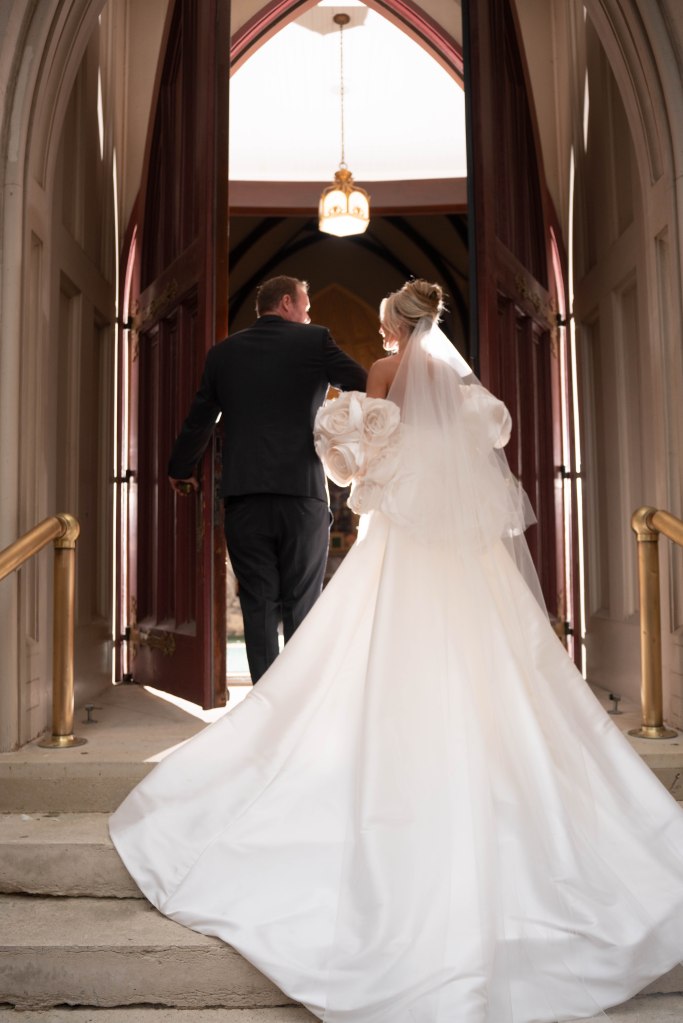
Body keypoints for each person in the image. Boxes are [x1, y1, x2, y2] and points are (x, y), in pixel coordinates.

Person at [112, 280, 683, 1023]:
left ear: (394, 323)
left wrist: (321, 459)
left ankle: (288, 717)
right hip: (459, 543)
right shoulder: (454, 372)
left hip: (344, 519)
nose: (374, 331)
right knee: (486, 657)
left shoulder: (337, 367)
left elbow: (356, 458)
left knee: (305, 625)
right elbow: (486, 437)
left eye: (383, 321)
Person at [168, 275, 367, 682]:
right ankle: (297, 704)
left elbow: (200, 419)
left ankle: (264, 706)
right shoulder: (314, 342)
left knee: (258, 602)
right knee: (302, 602)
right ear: (288, 303)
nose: (310, 315)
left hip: (245, 496)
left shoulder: (223, 354)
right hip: (303, 495)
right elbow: (364, 383)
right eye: (306, 307)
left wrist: (180, 468)